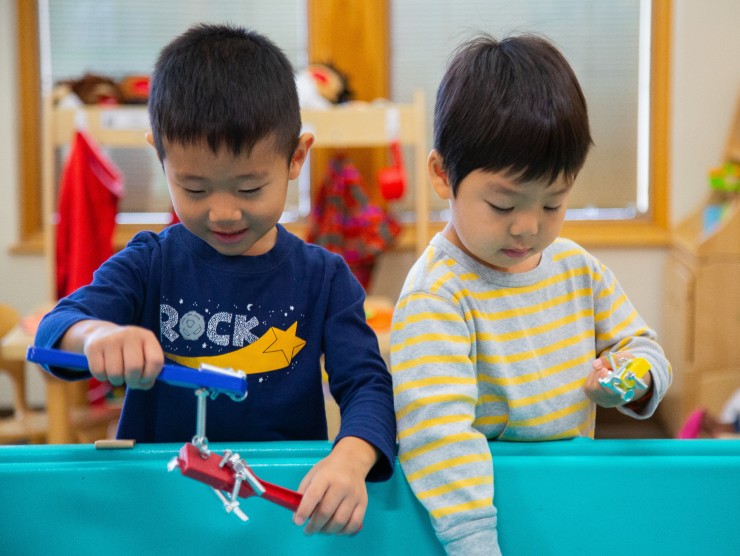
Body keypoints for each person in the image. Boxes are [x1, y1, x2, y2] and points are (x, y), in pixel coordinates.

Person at [34, 23, 396, 536]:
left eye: (249, 187)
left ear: (296, 157)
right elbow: (56, 329)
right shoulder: (150, 263)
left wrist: (352, 459)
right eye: (195, 188)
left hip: (278, 511)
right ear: (160, 156)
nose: (224, 212)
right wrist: (97, 336)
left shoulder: (324, 278)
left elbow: (368, 386)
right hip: (161, 509)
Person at [390, 34, 672, 555]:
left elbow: (644, 350)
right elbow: (439, 438)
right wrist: (476, 545)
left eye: (553, 204)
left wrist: (630, 381)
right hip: (477, 520)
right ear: (441, 175)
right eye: (502, 205)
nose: (527, 228)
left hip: (567, 498)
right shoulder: (438, 295)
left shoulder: (576, 269)